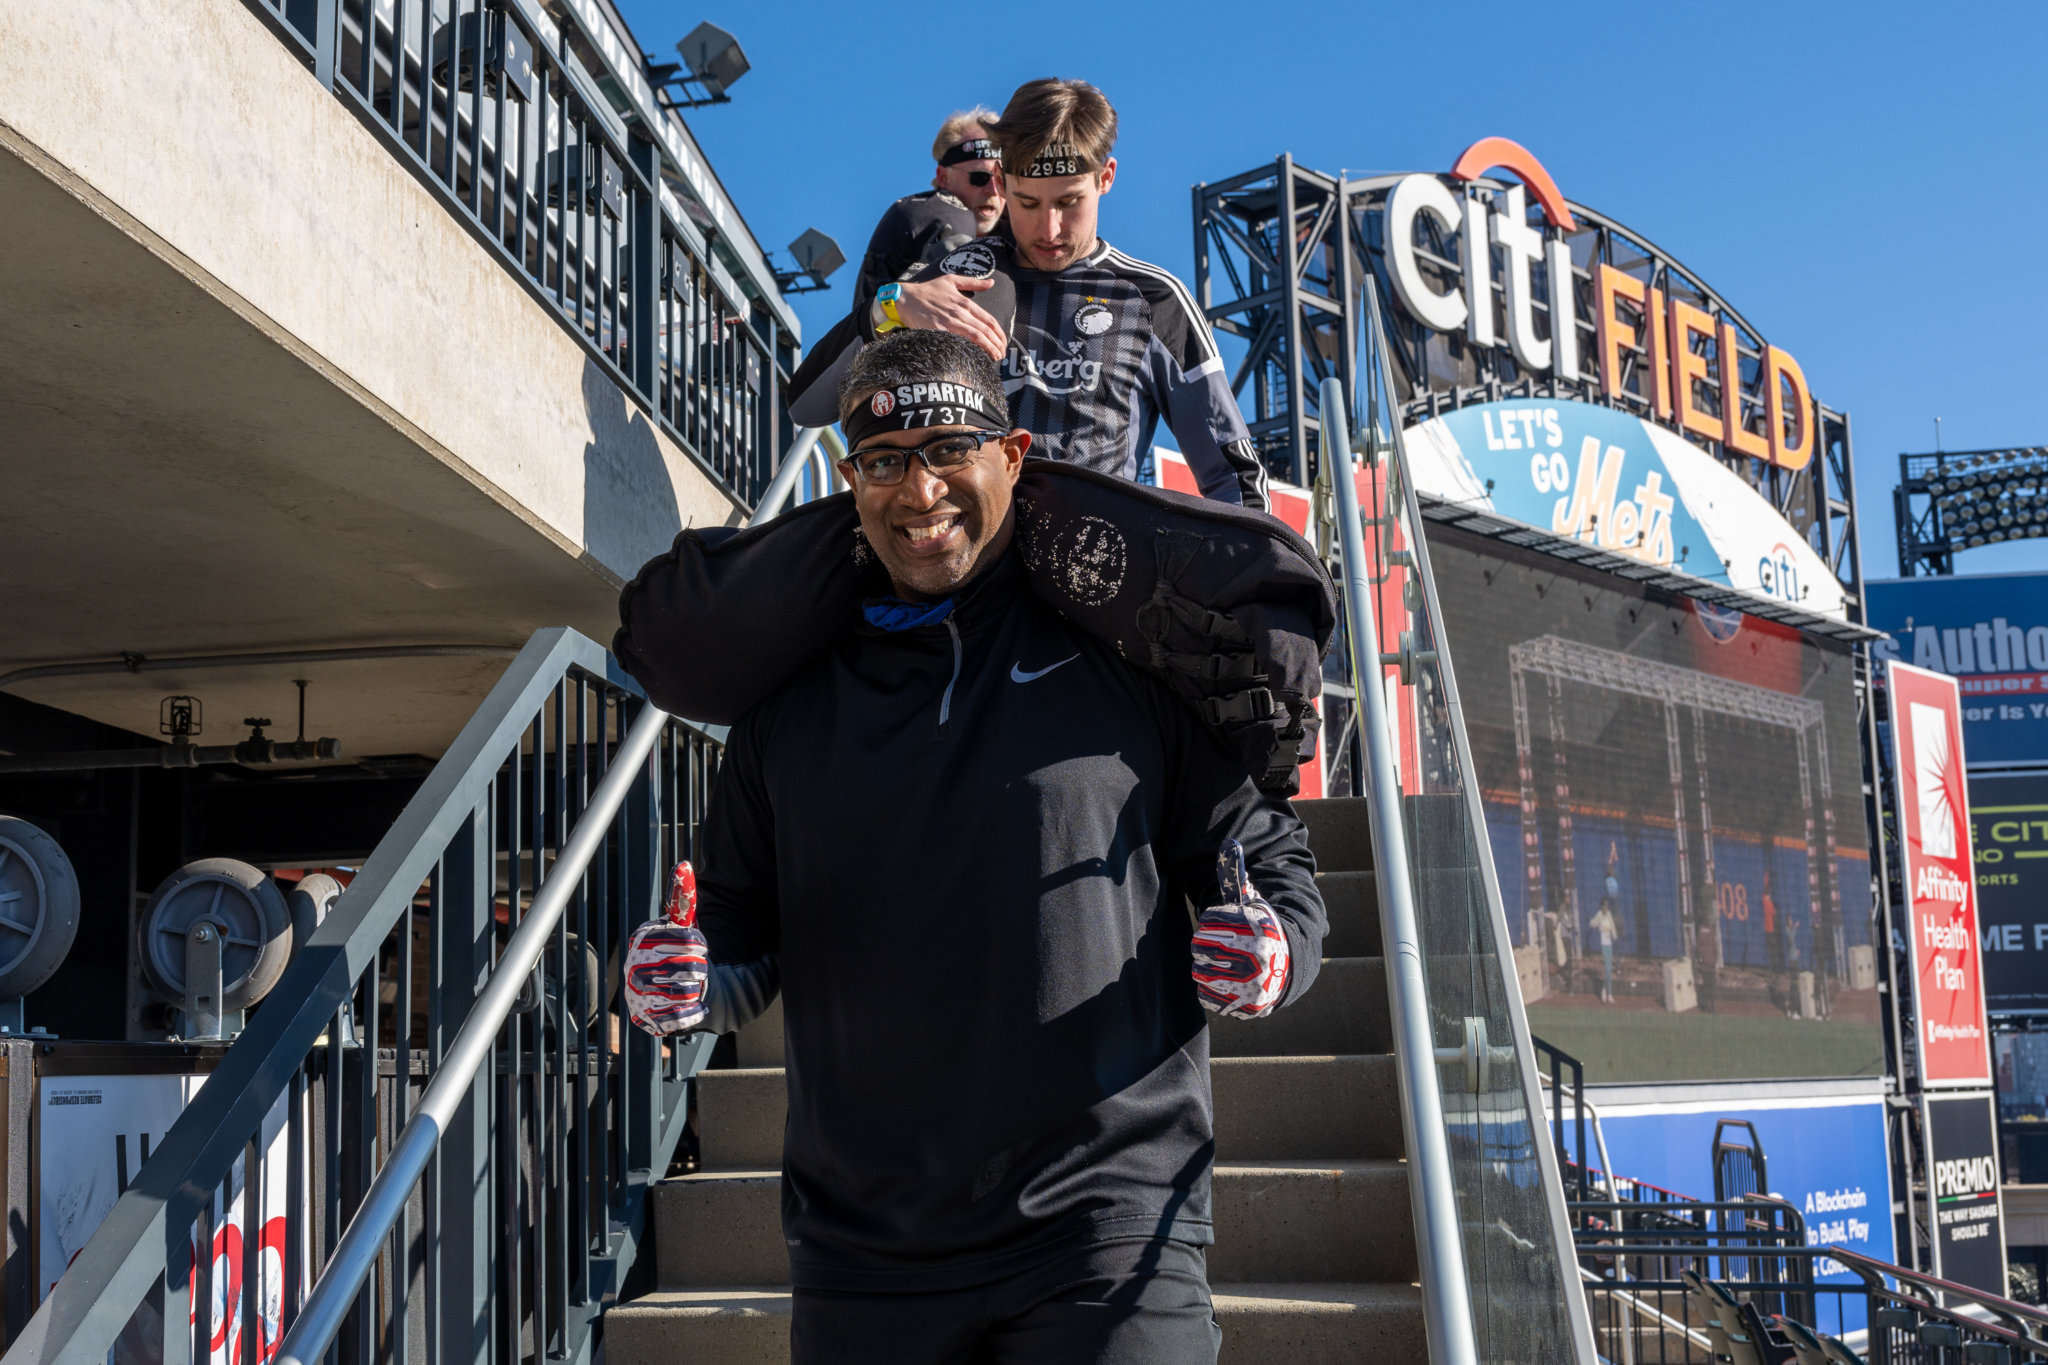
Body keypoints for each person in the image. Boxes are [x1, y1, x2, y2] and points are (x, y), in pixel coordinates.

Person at [619, 329, 1325, 1364]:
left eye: (950, 450)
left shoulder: (1129, 667)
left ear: (1014, 456)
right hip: (864, 1252)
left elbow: (1268, 868)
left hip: (1107, 1227)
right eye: (884, 461)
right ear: (847, 479)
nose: (919, 492)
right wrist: (690, 984)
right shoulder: (789, 709)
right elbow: (735, 928)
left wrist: (1270, 951)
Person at [790, 79, 1270, 512]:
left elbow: (1235, 478)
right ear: (1000, 183)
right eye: (1028, 202)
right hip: (959, 575)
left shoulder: (1152, 299)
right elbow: (807, 406)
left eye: (1069, 202)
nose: (1049, 228)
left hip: (1092, 578)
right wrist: (889, 306)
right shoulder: (960, 276)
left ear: (1105, 178)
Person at [849, 109, 1008, 311]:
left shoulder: (1015, 232)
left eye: (1001, 180)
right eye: (980, 177)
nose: (993, 190)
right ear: (943, 177)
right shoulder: (936, 213)